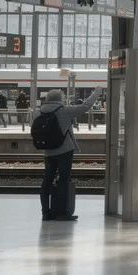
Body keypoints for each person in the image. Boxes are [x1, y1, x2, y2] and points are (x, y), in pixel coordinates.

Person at [37, 87, 103, 221]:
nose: (64, 99)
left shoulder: (40, 112)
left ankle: (46, 212)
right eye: (63, 97)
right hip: (64, 150)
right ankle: (61, 212)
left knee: (47, 181)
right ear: (59, 99)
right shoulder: (64, 111)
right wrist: (95, 93)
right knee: (63, 180)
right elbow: (85, 106)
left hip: (48, 152)